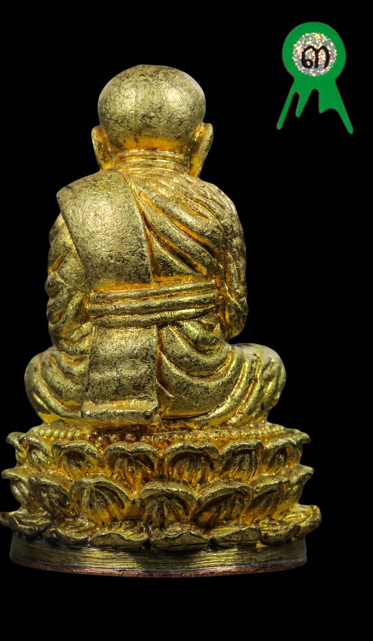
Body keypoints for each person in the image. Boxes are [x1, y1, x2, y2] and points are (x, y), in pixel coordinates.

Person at [24, 64, 286, 430]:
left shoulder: (80, 204)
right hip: (201, 382)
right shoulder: (215, 203)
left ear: (99, 144)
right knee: (267, 364)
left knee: (39, 371)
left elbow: (64, 323)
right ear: (202, 142)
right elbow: (233, 318)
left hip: (92, 387)